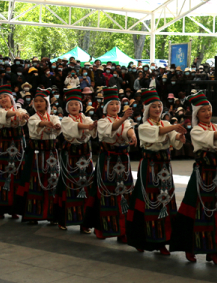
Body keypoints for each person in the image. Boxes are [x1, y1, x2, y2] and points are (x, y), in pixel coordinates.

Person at [170, 92, 217, 265]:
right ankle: (190, 247)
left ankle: (213, 250)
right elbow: (212, 137)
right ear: (196, 114)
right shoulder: (196, 130)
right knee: (195, 209)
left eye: (208, 109)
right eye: (203, 110)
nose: (207, 113)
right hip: (202, 175)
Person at [126, 89, 186, 255]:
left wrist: (179, 137)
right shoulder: (144, 126)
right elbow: (157, 133)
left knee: (165, 200)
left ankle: (162, 240)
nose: (158, 109)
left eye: (159, 106)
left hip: (164, 167)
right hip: (150, 167)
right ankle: (141, 239)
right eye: (154, 107)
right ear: (147, 109)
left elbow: (172, 137)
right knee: (146, 200)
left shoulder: (165, 124)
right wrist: (174, 128)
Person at [89, 87, 137, 241]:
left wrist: (133, 136)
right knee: (105, 193)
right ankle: (102, 228)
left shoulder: (125, 120)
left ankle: (122, 231)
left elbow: (128, 129)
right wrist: (123, 119)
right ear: (105, 107)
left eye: (117, 104)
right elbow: (111, 129)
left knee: (124, 194)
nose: (115, 106)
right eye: (111, 104)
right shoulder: (103, 122)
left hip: (123, 160)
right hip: (108, 160)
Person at [56, 87, 96, 233]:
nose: (74, 107)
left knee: (86, 186)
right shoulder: (66, 120)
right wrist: (90, 126)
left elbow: (92, 130)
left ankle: (84, 222)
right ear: (67, 107)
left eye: (76, 104)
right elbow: (75, 127)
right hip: (70, 156)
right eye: (71, 104)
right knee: (67, 185)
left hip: (85, 156)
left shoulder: (86, 118)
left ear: (81, 106)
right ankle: (63, 219)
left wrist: (93, 126)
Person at [21, 88, 62, 225]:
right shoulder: (33, 118)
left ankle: (52, 215)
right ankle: (33, 214)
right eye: (36, 101)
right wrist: (45, 123)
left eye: (41, 101)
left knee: (52, 181)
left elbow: (58, 124)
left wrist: (57, 126)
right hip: (36, 154)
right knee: (35, 182)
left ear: (47, 104)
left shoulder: (53, 117)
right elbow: (35, 125)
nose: (38, 103)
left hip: (51, 153)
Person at [0, 84, 29, 220]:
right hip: (3, 145)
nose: (3, 99)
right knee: (1, 173)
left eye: (5, 97)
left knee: (18, 173)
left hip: (18, 144)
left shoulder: (21, 109)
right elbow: (3, 116)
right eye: (0, 98)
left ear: (11, 98)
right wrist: (16, 113)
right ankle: (0, 208)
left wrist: (23, 115)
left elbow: (24, 118)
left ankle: (15, 208)